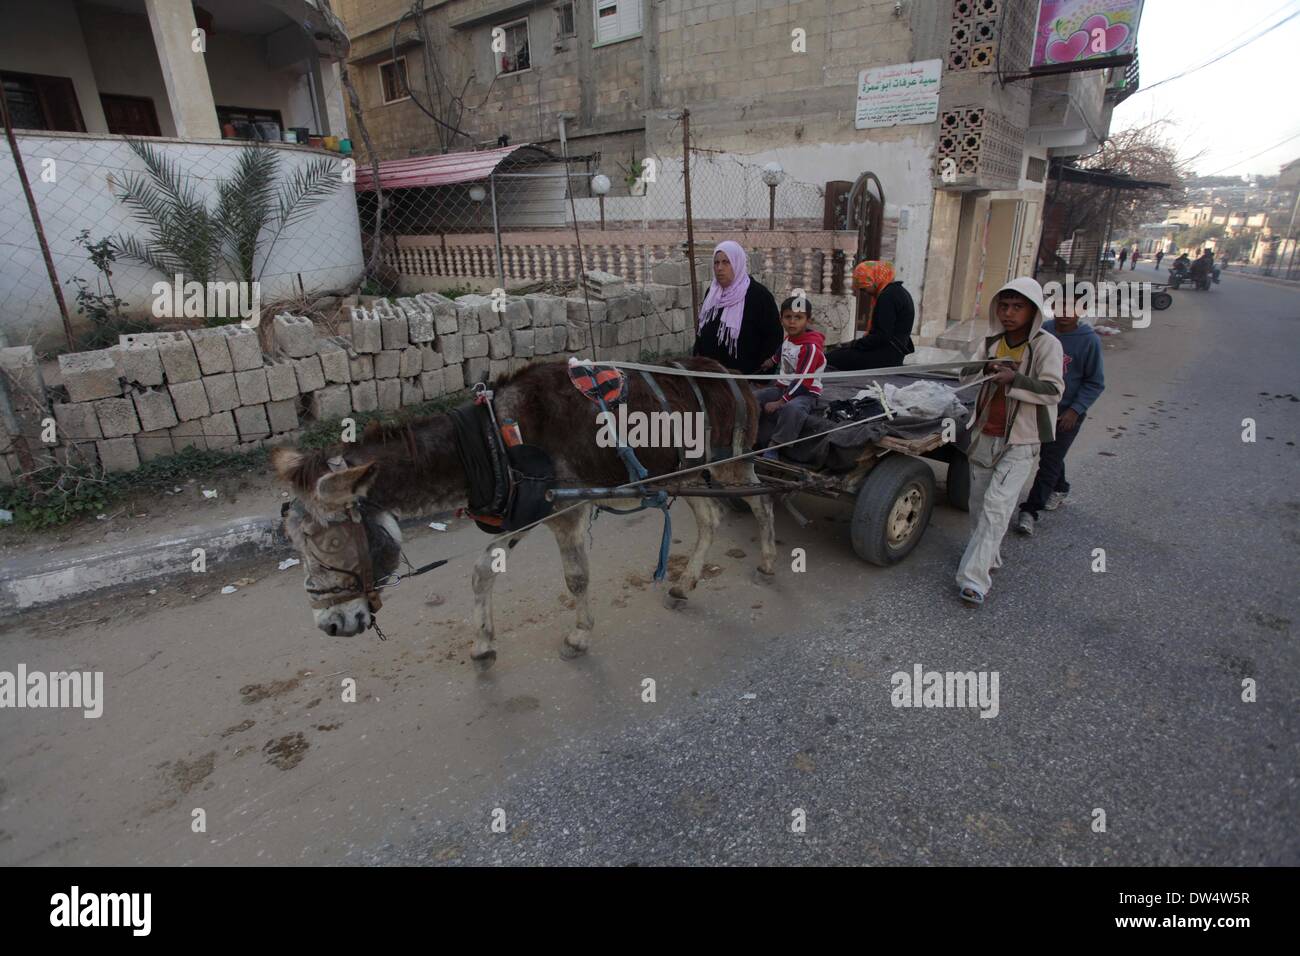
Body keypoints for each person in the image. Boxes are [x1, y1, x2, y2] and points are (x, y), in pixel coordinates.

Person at [955, 277, 1064, 607]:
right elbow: (965, 375)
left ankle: (974, 579)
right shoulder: (991, 342)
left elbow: (1053, 390)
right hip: (986, 432)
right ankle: (990, 557)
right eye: (1004, 305)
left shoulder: (1047, 346)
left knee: (997, 506)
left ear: (1032, 311)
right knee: (978, 504)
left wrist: (1014, 378)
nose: (1008, 313)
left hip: (1022, 439)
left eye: (1018, 307)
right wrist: (984, 366)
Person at [1015, 286, 1104, 535]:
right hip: (1040, 406)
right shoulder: (1043, 332)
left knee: (1049, 459)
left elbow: (1095, 382)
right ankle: (1061, 486)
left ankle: (1029, 511)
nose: (1066, 311)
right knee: (1050, 452)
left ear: (1083, 309)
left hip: (1066, 413)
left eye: (1073, 306)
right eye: (1061, 305)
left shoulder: (1089, 341)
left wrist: (1075, 410)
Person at [692, 241, 782, 376]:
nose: (720, 268)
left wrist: (762, 377)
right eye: (716, 263)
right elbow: (702, 330)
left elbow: (773, 337)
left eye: (726, 262)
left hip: (746, 378)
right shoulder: (712, 293)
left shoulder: (758, 295)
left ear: (737, 263)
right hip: (710, 376)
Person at [755, 295, 826, 458]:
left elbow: (803, 381)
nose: (792, 322)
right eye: (788, 317)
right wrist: (772, 361)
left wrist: (781, 402)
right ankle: (749, 436)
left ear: (808, 320)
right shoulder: (789, 339)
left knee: (792, 409)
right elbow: (783, 350)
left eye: (798, 318)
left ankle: (776, 445)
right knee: (754, 397)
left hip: (805, 392)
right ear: (781, 319)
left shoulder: (810, 348)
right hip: (783, 387)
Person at [824, 260, 915, 371]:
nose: (865, 292)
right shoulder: (898, 291)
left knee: (828, 358)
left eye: (864, 287)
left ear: (873, 279)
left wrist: (854, 344)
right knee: (838, 353)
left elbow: (882, 336)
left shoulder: (888, 296)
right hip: (892, 355)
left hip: (884, 358)